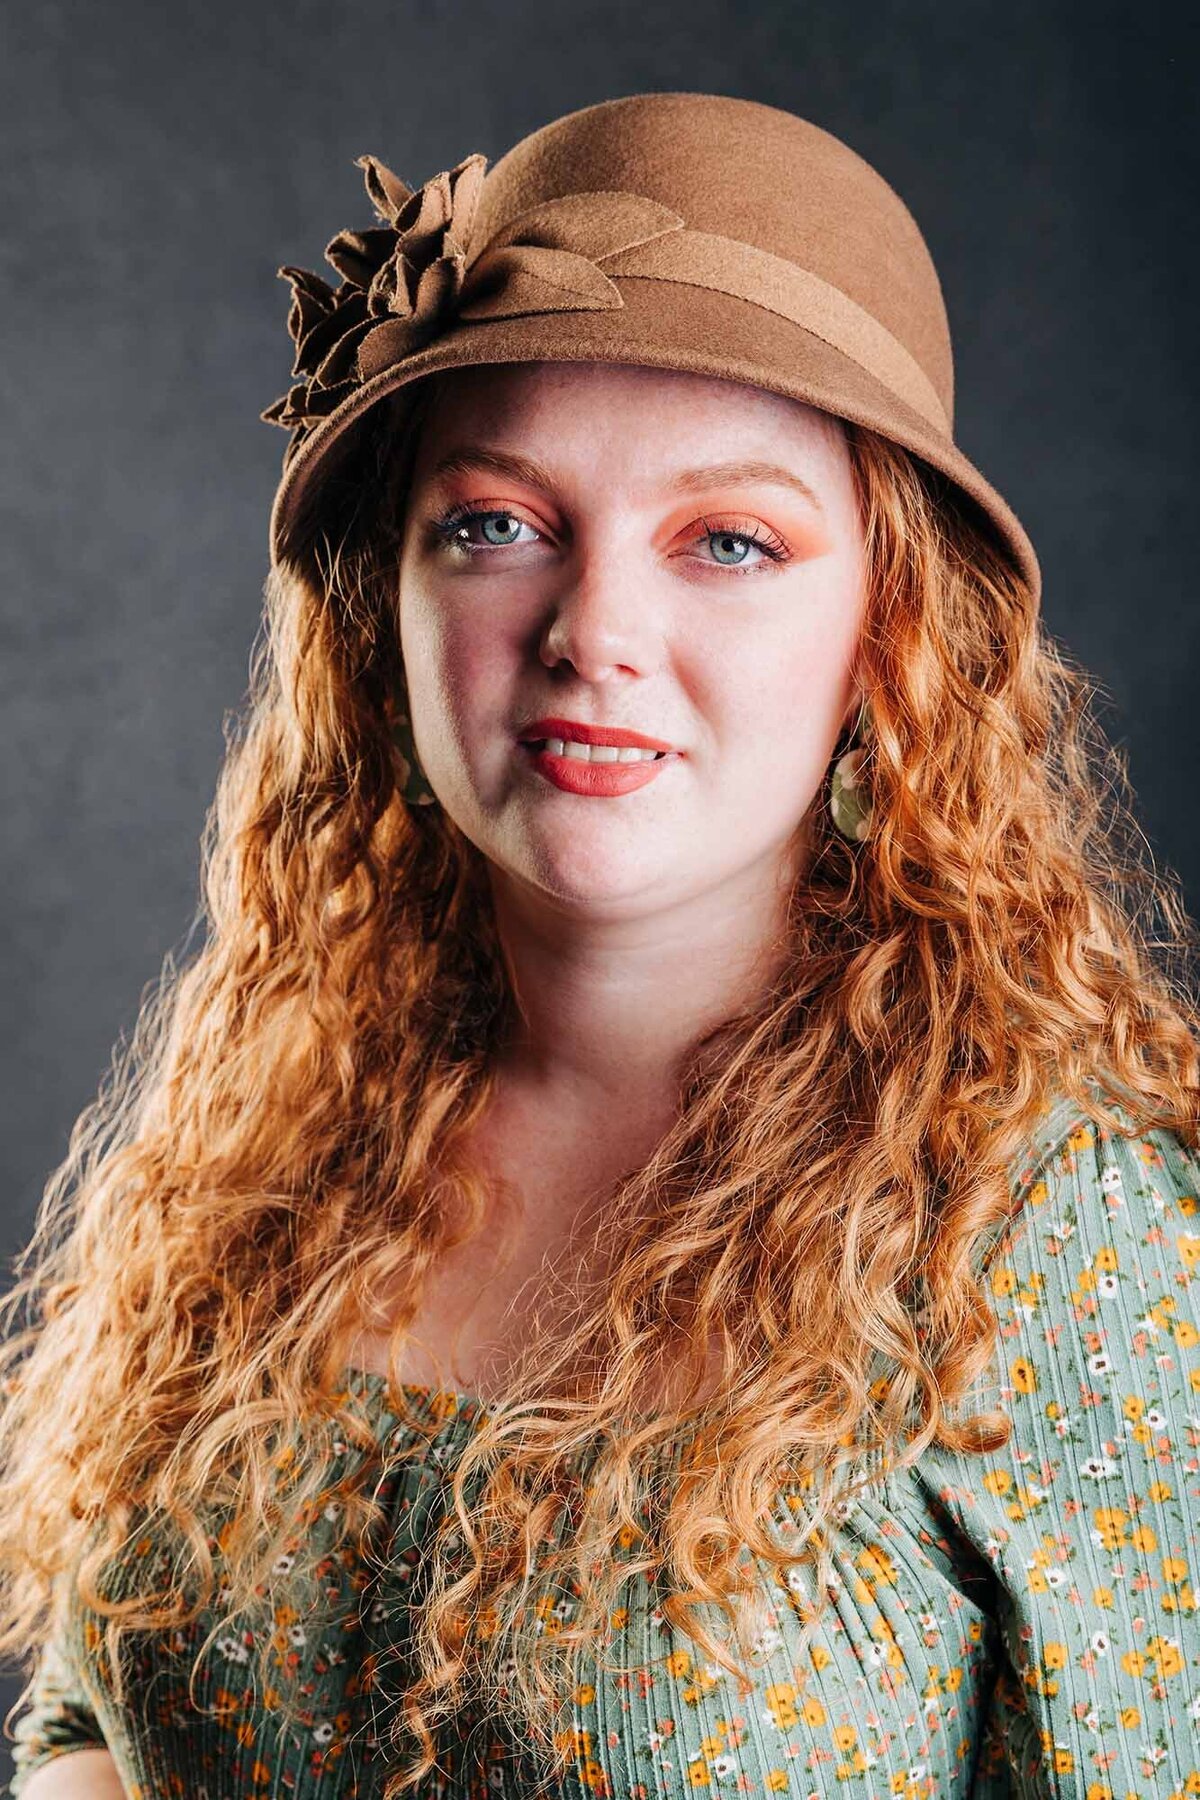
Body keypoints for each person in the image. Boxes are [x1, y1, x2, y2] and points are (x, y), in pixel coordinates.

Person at [1, 90, 1197, 1800]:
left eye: (729, 541)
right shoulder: (279, 1134)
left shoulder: (1056, 1240)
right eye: (497, 522)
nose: (595, 634)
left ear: (890, 634)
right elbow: (88, 1725)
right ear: (386, 607)